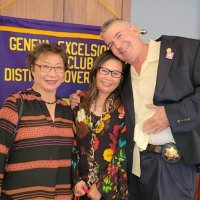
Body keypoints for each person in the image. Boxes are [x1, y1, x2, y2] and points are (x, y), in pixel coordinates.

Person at [70, 18, 200, 200]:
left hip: (171, 164)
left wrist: (171, 114)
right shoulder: (123, 75)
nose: (118, 46)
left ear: (134, 29)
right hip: (133, 168)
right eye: (111, 44)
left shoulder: (185, 50)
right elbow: (103, 96)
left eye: (119, 35)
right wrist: (79, 98)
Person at [0, 43, 74, 199]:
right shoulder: (15, 104)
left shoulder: (66, 110)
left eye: (59, 67)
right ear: (33, 68)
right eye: (45, 67)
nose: (52, 73)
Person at [72, 50, 128, 200]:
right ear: (96, 71)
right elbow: (72, 145)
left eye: (115, 73)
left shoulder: (124, 110)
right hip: (80, 189)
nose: (109, 77)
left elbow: (122, 155)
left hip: (110, 191)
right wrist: (76, 179)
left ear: (121, 78)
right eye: (104, 71)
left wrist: (101, 188)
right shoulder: (80, 102)